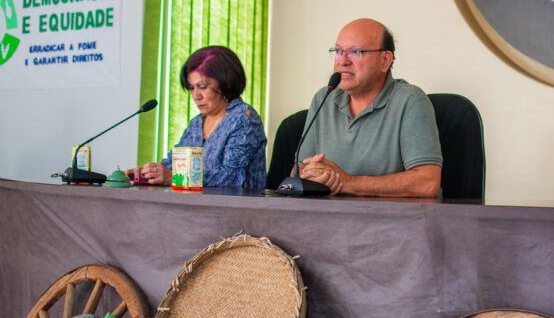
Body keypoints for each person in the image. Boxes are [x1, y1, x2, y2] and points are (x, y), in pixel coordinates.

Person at [297, 18, 442, 197]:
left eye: (355, 52)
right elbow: (299, 172)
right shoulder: (323, 99)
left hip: (392, 222)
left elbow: (427, 183)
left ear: (385, 60)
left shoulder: (410, 101)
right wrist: (313, 177)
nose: (342, 61)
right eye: (338, 51)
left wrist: (348, 182)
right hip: (330, 220)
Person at [126, 46, 267, 189]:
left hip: (237, 209)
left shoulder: (244, 118)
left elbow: (230, 178)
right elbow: (172, 165)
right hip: (197, 207)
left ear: (227, 82)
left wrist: (174, 177)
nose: (195, 96)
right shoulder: (197, 123)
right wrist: (147, 174)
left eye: (203, 86)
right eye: (192, 88)